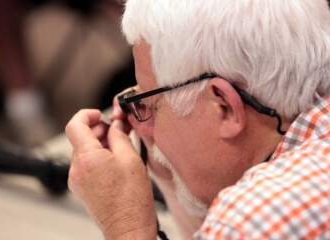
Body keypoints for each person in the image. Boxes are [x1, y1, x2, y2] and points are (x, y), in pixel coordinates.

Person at [65, 0, 330, 239]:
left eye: (150, 104)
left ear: (224, 107)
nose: (142, 124)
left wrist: (126, 225)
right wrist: (168, 173)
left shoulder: (250, 221)